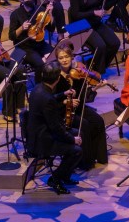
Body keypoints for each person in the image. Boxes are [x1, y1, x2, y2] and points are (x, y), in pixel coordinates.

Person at [28, 59, 84, 194]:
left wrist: (62, 94)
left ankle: (65, 175)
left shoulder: (38, 88)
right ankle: (56, 178)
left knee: (78, 132)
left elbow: (50, 97)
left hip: (36, 133)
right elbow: (56, 128)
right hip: (43, 140)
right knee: (77, 149)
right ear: (58, 79)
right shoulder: (47, 100)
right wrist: (72, 139)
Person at [53, 40, 110, 168]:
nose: (64, 60)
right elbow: (51, 100)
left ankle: (99, 156)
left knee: (98, 120)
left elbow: (84, 97)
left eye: (67, 57)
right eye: (61, 58)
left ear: (72, 57)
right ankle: (85, 162)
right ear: (57, 59)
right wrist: (67, 101)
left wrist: (96, 88)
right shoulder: (55, 76)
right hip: (63, 112)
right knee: (84, 125)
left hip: (78, 108)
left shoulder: (77, 73)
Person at [68, 0, 123, 74]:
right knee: (100, 46)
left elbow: (104, 7)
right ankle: (97, 72)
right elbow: (75, 14)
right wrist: (93, 12)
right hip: (81, 25)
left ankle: (94, 66)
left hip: (95, 22)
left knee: (115, 43)